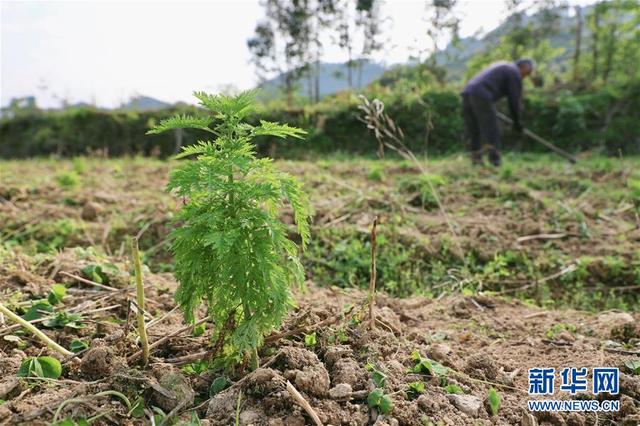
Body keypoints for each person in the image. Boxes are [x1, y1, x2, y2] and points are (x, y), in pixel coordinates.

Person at [461, 59, 534, 166]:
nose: (524, 77)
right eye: (527, 74)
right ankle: (495, 161)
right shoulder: (514, 73)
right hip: (481, 94)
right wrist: (517, 122)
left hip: (467, 92)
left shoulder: (504, 66)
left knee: (474, 129)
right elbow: (514, 101)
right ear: (522, 67)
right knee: (492, 129)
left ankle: (476, 160)